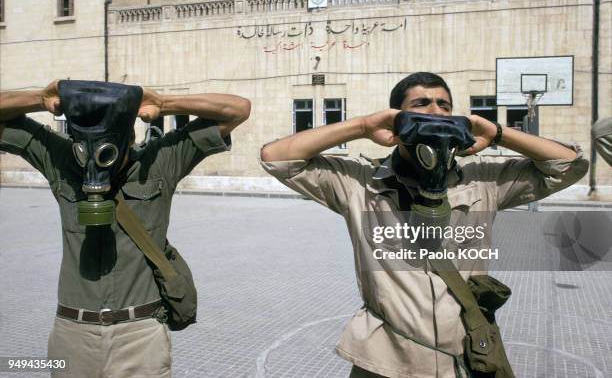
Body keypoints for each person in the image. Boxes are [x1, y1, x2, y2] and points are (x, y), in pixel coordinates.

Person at [260, 72, 588, 378]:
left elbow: (567, 166)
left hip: (463, 356)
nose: (435, 111)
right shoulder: (361, 182)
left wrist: (495, 133)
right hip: (385, 358)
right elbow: (277, 158)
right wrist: (364, 126)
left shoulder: (484, 179)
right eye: (421, 104)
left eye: (444, 105)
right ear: (397, 119)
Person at [0, 79, 250, 377]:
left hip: (140, 336)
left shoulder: (160, 162)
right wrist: (40, 97)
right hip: (72, 335)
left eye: (105, 150)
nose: (94, 163)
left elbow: (238, 110)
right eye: (85, 148)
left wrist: (163, 103)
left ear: (128, 140)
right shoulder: (62, 161)